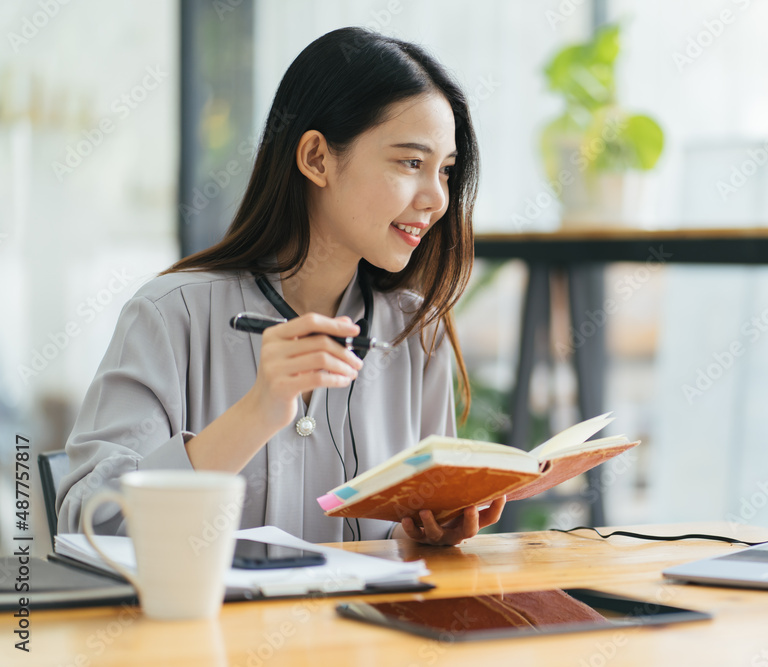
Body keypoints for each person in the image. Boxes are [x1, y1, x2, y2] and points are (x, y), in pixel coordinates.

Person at [56, 27, 505, 546]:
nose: (436, 197)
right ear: (317, 158)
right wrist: (257, 412)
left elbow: (416, 532)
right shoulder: (168, 315)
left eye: (446, 171)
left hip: (371, 627)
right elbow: (91, 526)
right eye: (411, 162)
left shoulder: (415, 332)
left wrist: (435, 530)